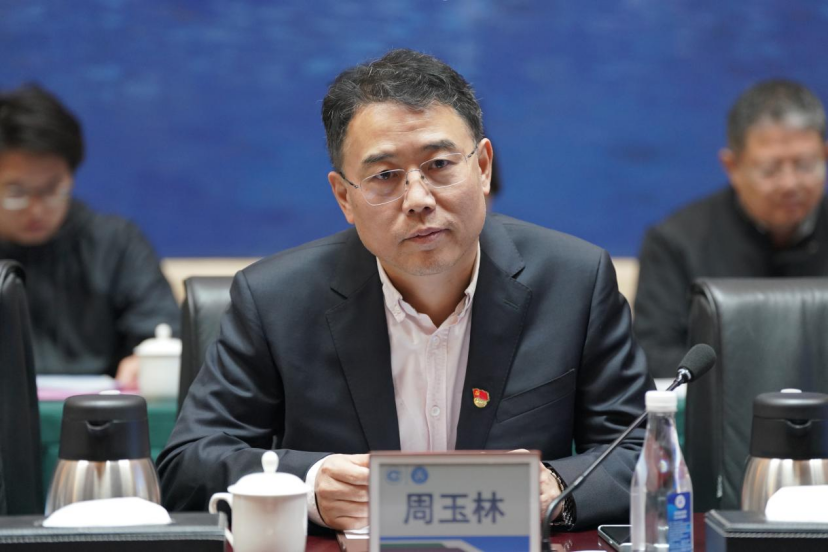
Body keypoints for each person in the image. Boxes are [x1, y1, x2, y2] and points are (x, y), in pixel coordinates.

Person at [158, 49, 651, 532]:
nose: (418, 199)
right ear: (344, 196)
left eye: (439, 165)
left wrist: (556, 488)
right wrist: (308, 487)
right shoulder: (275, 300)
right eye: (385, 176)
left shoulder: (575, 282)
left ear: (482, 167)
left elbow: (643, 453)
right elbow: (187, 464)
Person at [634, 79, 828, 378]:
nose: (790, 184)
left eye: (805, 165)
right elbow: (654, 354)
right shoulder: (676, 241)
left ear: (825, 156)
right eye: (770, 169)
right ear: (732, 167)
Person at [0, 84, 180, 383]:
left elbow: (162, 327)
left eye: (52, 189)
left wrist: (147, 360)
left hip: (100, 408)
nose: (36, 210)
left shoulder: (116, 243)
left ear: (71, 177)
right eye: (16, 193)